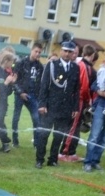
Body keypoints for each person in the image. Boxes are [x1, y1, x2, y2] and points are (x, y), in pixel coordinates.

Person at [34, 40, 79, 168]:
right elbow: (44, 86)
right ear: (61, 51)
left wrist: (75, 107)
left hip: (65, 108)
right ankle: (39, 159)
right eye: (65, 51)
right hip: (50, 106)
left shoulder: (75, 68)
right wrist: (42, 104)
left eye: (70, 52)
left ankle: (53, 159)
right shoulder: (52, 65)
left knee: (58, 136)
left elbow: (76, 89)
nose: (67, 54)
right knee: (44, 134)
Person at [60, 44, 96, 161]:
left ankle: (71, 152)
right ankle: (65, 152)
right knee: (73, 126)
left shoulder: (86, 66)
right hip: (78, 100)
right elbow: (84, 87)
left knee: (76, 126)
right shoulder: (82, 66)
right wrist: (87, 100)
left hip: (79, 100)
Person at [11, 41, 43, 148]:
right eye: (36, 51)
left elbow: (39, 83)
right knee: (16, 117)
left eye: (39, 52)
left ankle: (37, 143)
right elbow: (14, 80)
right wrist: (20, 92)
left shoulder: (40, 67)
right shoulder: (21, 63)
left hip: (32, 95)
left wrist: (38, 97)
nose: (37, 54)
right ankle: (15, 141)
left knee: (36, 118)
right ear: (31, 50)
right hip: (20, 94)